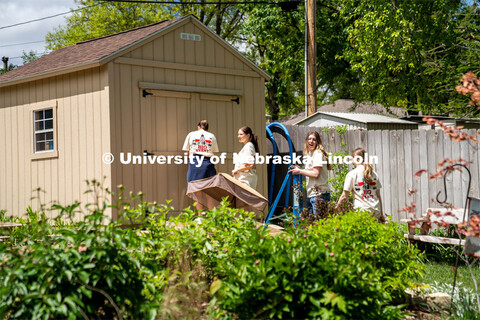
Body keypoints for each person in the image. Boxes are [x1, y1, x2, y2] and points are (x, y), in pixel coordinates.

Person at [335, 148, 386, 223]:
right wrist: (381, 213)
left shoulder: (352, 174)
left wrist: (336, 208)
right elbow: (378, 195)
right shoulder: (374, 174)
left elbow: (344, 196)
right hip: (375, 210)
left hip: (362, 211)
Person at [289, 131, 331, 214]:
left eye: (314, 139)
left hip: (319, 195)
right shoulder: (310, 154)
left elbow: (316, 174)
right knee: (311, 224)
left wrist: (300, 171)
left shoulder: (318, 153)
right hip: (312, 194)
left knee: (319, 224)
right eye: (309, 139)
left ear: (317, 142)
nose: (311, 141)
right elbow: (311, 171)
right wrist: (300, 169)